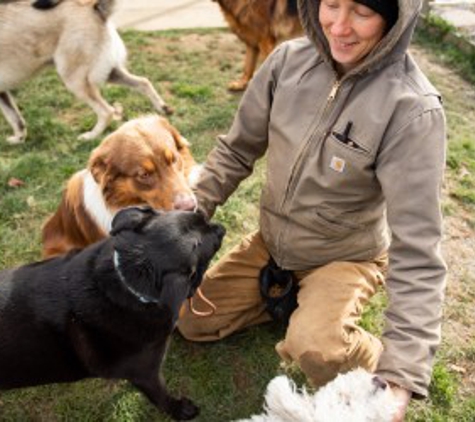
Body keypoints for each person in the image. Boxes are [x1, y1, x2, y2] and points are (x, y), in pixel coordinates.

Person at [179, 0, 447, 420]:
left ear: (395, 17)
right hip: (273, 244)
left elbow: (418, 249)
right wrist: (193, 208)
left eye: (361, 11)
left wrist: (403, 372)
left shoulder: (412, 108)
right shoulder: (286, 60)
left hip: (344, 256)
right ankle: (291, 303)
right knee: (190, 321)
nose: (339, 27)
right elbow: (236, 150)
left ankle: (357, 349)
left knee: (317, 350)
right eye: (331, 4)